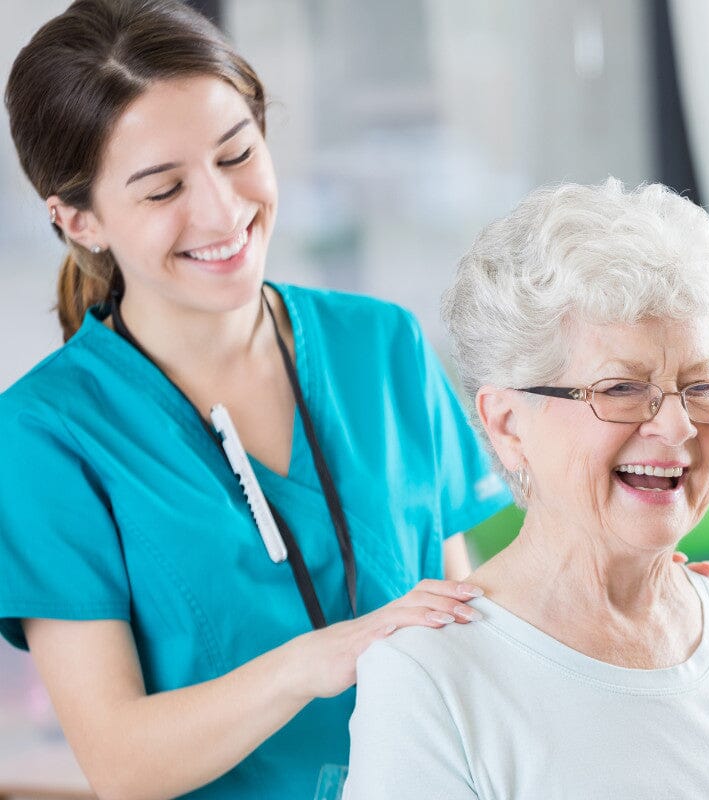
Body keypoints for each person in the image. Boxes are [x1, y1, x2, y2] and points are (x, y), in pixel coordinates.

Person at [0, 2, 516, 798]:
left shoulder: (382, 347)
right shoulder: (46, 436)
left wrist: (626, 593)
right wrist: (319, 660)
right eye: (162, 188)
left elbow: (465, 618)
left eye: (237, 154)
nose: (221, 211)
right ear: (79, 220)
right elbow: (121, 763)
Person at [343, 180, 709, 799]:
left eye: (703, 387)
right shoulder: (431, 675)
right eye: (620, 389)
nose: (676, 426)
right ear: (509, 425)